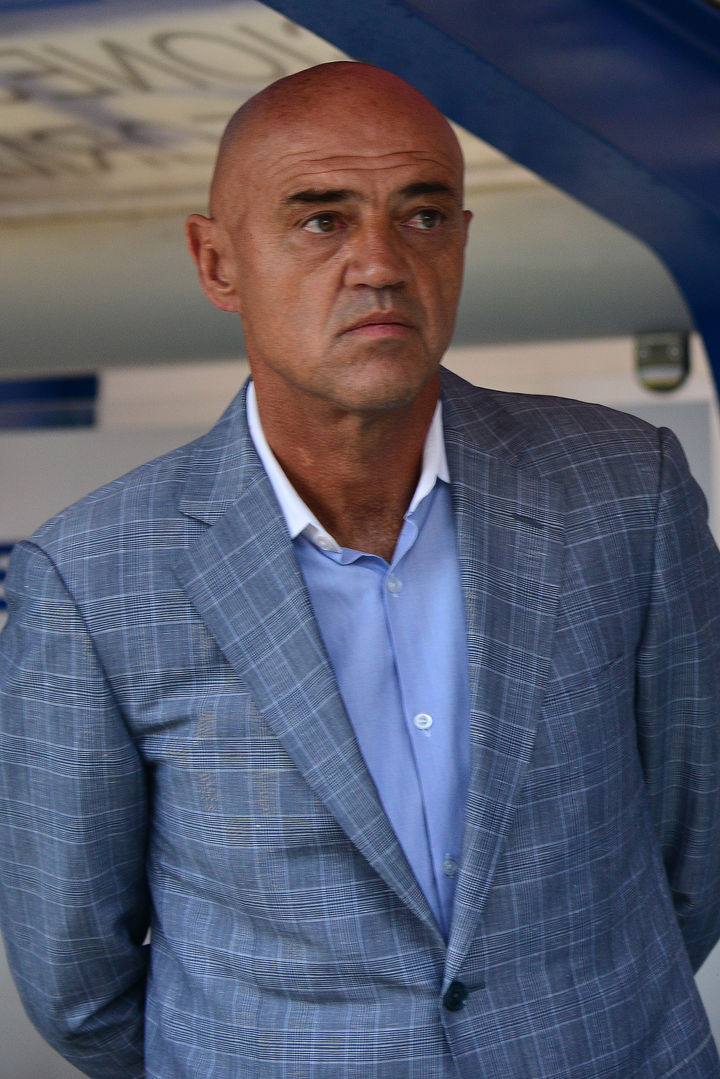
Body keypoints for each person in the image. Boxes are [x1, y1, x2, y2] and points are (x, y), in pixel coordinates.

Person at [1, 60, 720, 1079]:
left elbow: (699, 841)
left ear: (461, 241)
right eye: (321, 220)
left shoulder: (623, 489)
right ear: (217, 262)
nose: (380, 263)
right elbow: (77, 978)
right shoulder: (90, 577)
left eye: (422, 215)